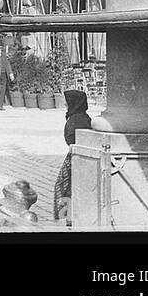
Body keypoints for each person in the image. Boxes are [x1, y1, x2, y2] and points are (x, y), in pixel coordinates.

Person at [52, 90, 93, 223]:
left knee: (67, 186)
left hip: (77, 157)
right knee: (67, 186)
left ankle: (69, 217)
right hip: (74, 155)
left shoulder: (78, 119)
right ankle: (69, 217)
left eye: (67, 100)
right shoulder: (78, 116)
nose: (65, 103)